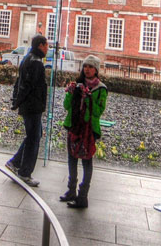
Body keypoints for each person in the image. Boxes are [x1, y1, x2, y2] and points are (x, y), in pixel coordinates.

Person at [60, 54, 107, 209]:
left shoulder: (101, 89)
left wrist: (88, 98)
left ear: (96, 70)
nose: (87, 70)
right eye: (85, 66)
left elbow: (98, 112)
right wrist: (70, 93)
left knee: (87, 161)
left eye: (91, 67)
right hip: (74, 126)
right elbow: (66, 106)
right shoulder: (77, 84)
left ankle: (83, 196)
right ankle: (71, 190)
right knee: (71, 158)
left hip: (88, 129)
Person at [5, 34, 48, 187]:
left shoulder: (28, 58)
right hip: (32, 106)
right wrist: (19, 102)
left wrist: (17, 101)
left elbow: (21, 82)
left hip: (29, 105)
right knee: (34, 139)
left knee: (32, 136)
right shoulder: (36, 62)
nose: (48, 49)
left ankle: (15, 162)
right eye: (46, 46)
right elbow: (29, 86)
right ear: (41, 46)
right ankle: (25, 172)